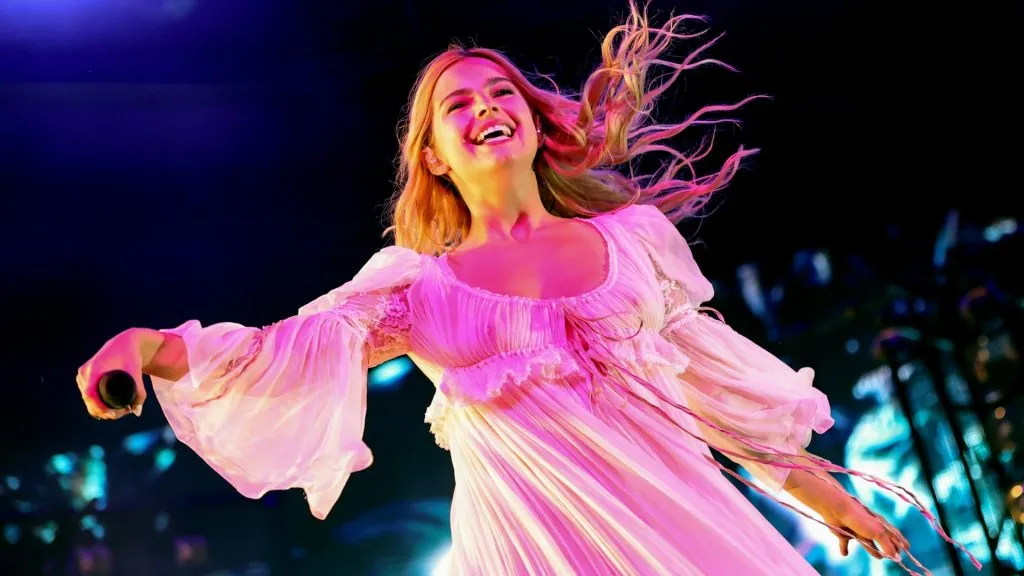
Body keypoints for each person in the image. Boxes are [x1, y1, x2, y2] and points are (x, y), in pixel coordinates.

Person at [77, 4, 980, 574]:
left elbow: (723, 401)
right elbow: (277, 355)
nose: (484, 109)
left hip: (677, 532)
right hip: (531, 548)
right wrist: (152, 348)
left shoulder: (631, 244)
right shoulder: (414, 287)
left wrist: (835, 502)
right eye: (456, 106)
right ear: (432, 155)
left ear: (533, 122)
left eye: (497, 91)